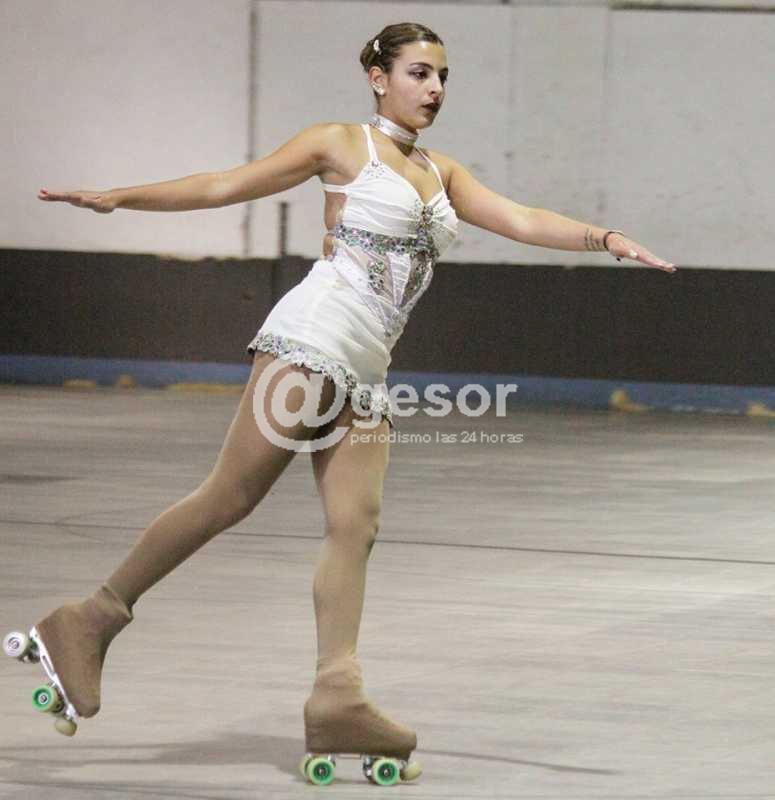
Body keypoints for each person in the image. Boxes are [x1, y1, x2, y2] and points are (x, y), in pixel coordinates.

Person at [25, 21, 674, 784]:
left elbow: (523, 219)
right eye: (418, 73)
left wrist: (606, 237)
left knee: (355, 526)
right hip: (312, 336)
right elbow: (226, 184)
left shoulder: (442, 172)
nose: (434, 88)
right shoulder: (339, 145)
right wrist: (120, 198)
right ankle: (90, 620)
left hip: (367, 364)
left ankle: (337, 694)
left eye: (442, 76)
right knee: (229, 495)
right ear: (377, 76)